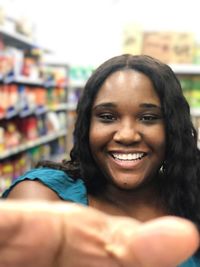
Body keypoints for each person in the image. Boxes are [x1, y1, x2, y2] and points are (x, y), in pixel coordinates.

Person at [1, 54, 200, 267]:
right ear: (87, 126)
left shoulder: (191, 196)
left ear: (172, 128)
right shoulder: (43, 197)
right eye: (107, 117)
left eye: (148, 118)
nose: (126, 135)